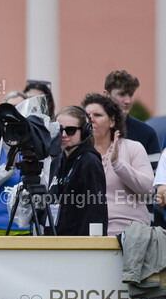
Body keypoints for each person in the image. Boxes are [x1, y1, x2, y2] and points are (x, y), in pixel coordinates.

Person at [82, 93, 153, 235]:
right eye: (87, 116)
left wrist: (117, 164)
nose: (91, 120)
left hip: (130, 233)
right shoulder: (80, 154)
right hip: (89, 235)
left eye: (97, 115)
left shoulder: (133, 148)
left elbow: (148, 190)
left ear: (112, 121)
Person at [52, 106, 108, 235]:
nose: (64, 135)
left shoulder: (89, 161)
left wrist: (87, 248)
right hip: (59, 242)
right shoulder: (59, 160)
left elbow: (94, 211)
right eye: (59, 130)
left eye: (70, 130)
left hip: (80, 247)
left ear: (84, 132)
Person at [103, 70, 160, 170]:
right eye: (122, 94)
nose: (128, 101)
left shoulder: (147, 133)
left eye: (131, 95)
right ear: (106, 94)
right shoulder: (94, 130)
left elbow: (154, 178)